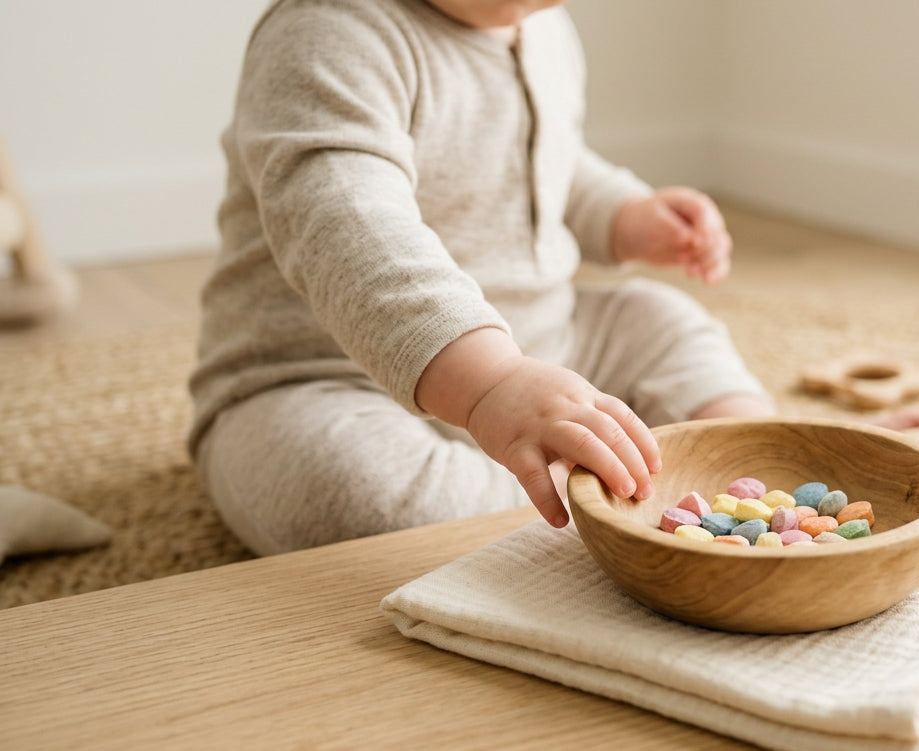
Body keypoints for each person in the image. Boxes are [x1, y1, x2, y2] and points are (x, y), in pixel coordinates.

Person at [188, 0, 780, 555]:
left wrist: (625, 215)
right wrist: (490, 383)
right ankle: (597, 522)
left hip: (544, 350)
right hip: (323, 381)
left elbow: (553, 161)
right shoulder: (330, 33)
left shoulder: (543, 29)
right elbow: (348, 226)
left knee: (660, 320)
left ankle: (756, 460)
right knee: (349, 489)